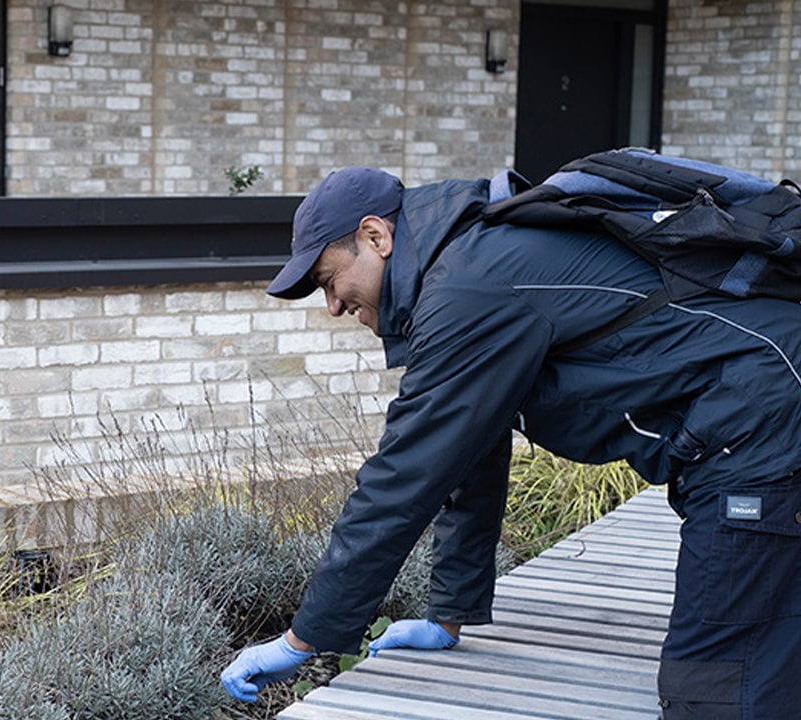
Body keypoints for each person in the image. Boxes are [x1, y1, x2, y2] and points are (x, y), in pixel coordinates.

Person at [220, 166, 801, 718]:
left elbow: (403, 478)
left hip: (763, 427)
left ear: (376, 237)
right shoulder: (471, 263)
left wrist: (306, 638)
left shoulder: (468, 287)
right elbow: (471, 449)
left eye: (328, 281)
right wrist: (449, 613)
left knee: (723, 686)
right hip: (746, 424)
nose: (334, 305)